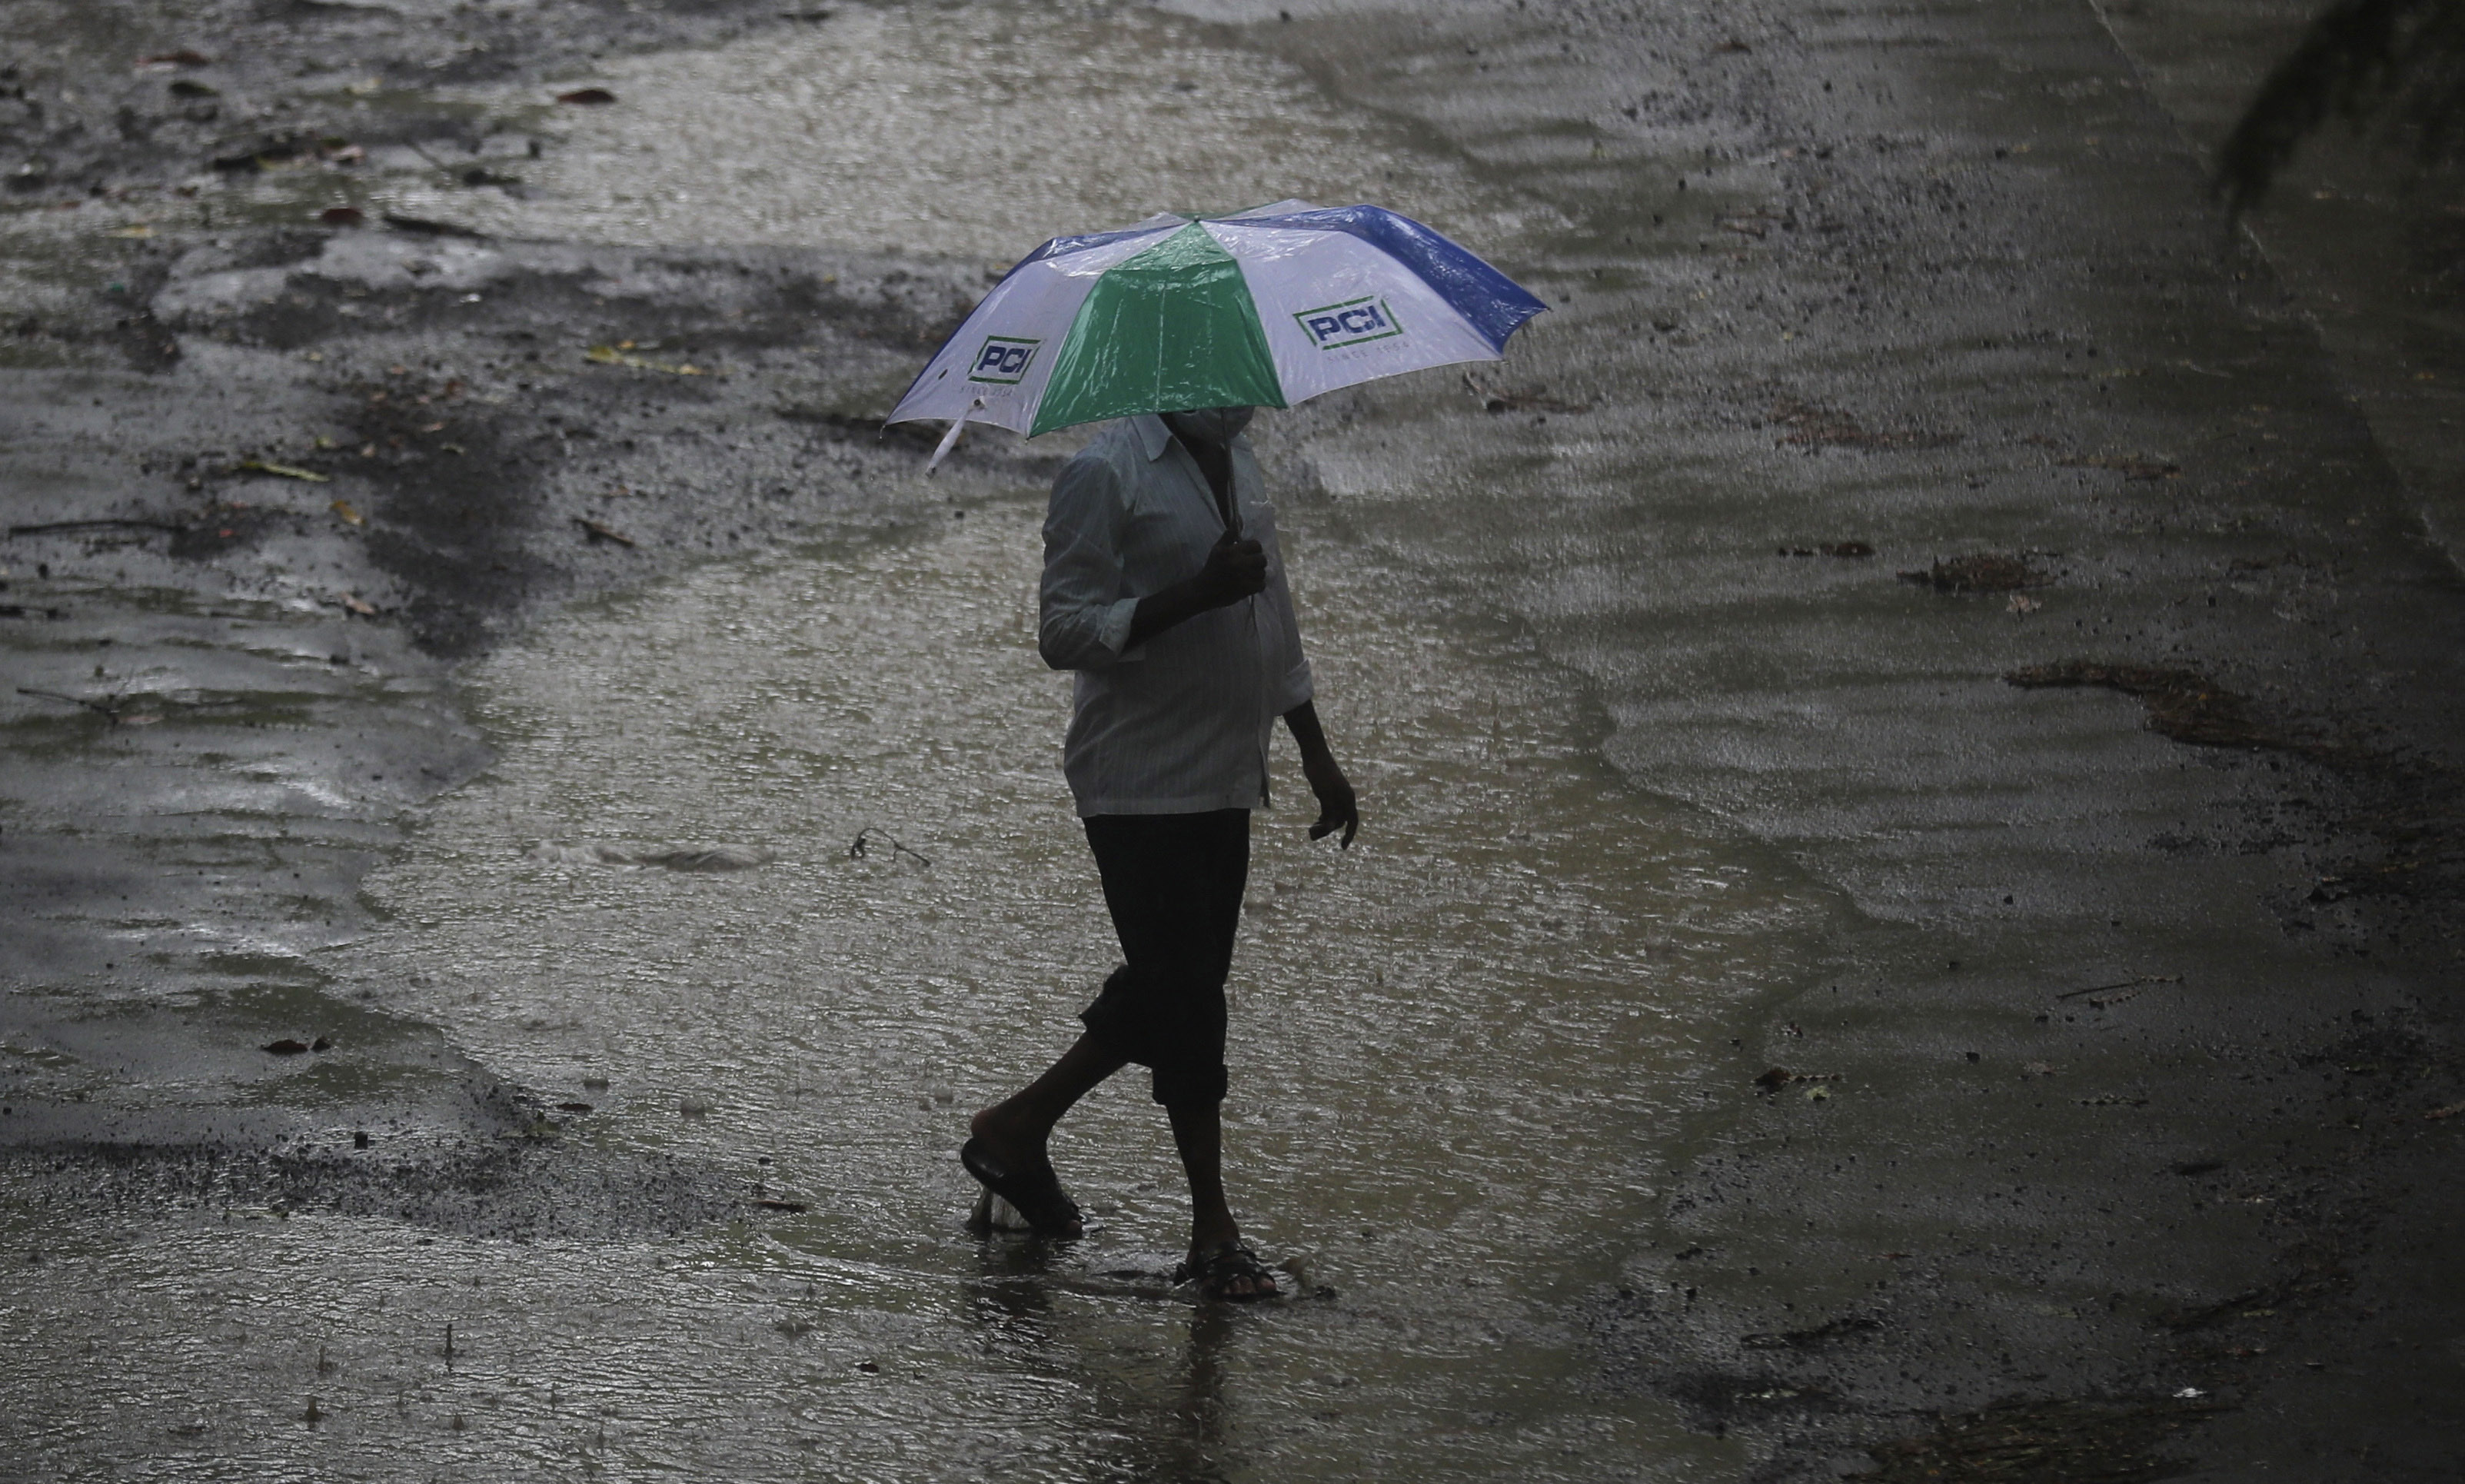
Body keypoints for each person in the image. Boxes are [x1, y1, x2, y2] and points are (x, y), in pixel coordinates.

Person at [961, 404, 1358, 1303]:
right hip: (1137, 778)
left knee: (1176, 985)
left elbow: (1274, 617)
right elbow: (1062, 631)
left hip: (1226, 769)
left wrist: (1315, 750)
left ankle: (1016, 1127)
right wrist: (1191, 594)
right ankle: (1212, 1229)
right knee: (1188, 1000)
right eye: (1217, 364)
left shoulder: (1238, 458)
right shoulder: (1105, 473)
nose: (1241, 390)